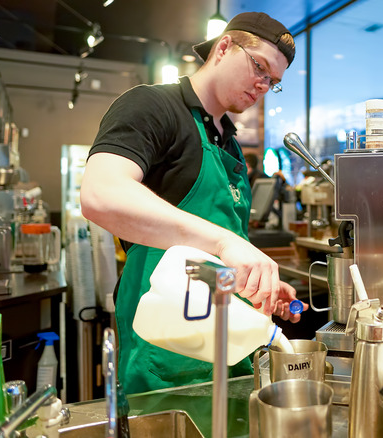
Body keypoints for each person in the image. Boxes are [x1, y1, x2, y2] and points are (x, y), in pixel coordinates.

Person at [80, 12, 307, 394]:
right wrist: (227, 243)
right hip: (166, 352)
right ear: (223, 48)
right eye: (259, 67)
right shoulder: (153, 106)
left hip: (228, 347)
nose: (263, 85)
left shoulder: (230, 144)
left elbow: (200, 265)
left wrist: (248, 283)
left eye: (273, 81)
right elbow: (100, 193)